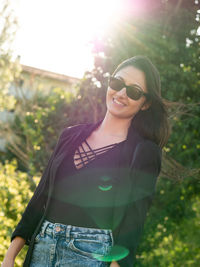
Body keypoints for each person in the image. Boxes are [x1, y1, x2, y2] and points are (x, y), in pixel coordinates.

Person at [2, 55, 170, 267]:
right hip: (42, 248)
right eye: (117, 83)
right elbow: (40, 197)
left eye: (134, 91)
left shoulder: (144, 152)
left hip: (91, 256)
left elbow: (132, 226)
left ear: (145, 104)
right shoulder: (70, 135)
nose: (121, 93)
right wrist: (9, 257)